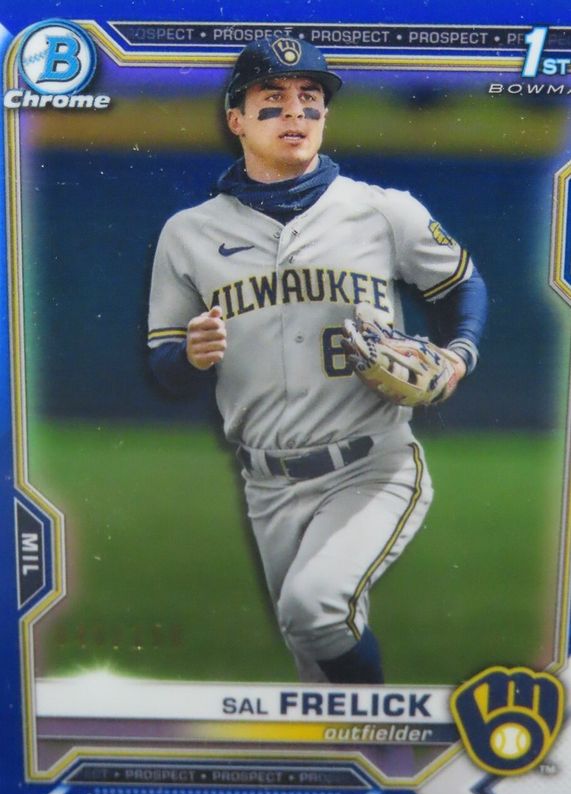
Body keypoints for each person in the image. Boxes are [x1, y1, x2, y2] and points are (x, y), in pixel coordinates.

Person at [147, 36, 487, 684]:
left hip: (372, 465)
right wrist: (189, 355)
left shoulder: (381, 211)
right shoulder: (188, 233)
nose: (295, 112)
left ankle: (383, 740)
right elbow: (165, 365)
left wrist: (457, 355)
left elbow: (461, 283)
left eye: (310, 98)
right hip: (265, 482)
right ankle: (359, 748)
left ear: (325, 116)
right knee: (315, 668)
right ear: (235, 119)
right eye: (272, 99)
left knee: (314, 613)